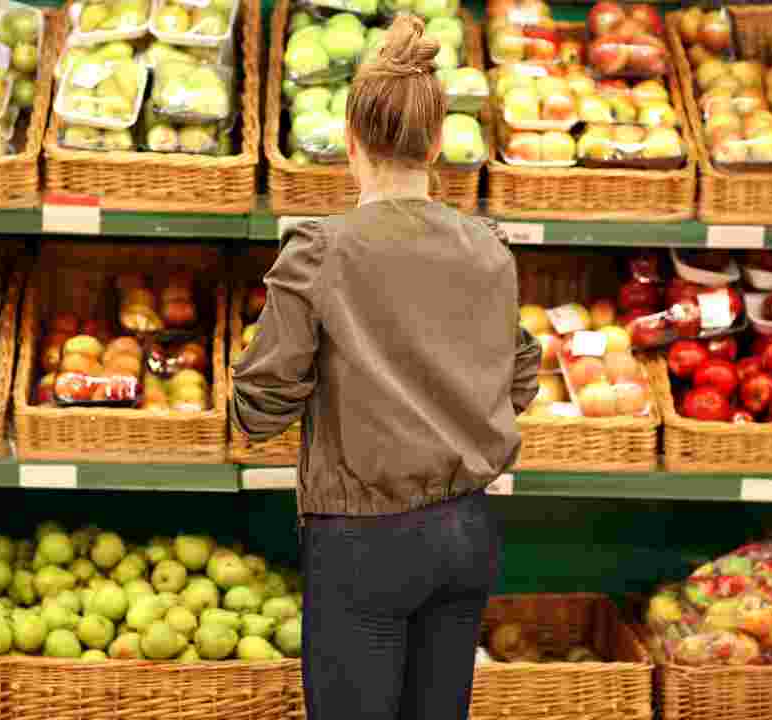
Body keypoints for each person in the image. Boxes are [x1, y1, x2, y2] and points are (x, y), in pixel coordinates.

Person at [229, 14, 541, 720]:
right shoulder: (488, 247)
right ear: (436, 145)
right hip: (467, 530)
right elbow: (519, 378)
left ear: (350, 141)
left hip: (363, 543)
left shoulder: (320, 252)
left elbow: (262, 404)